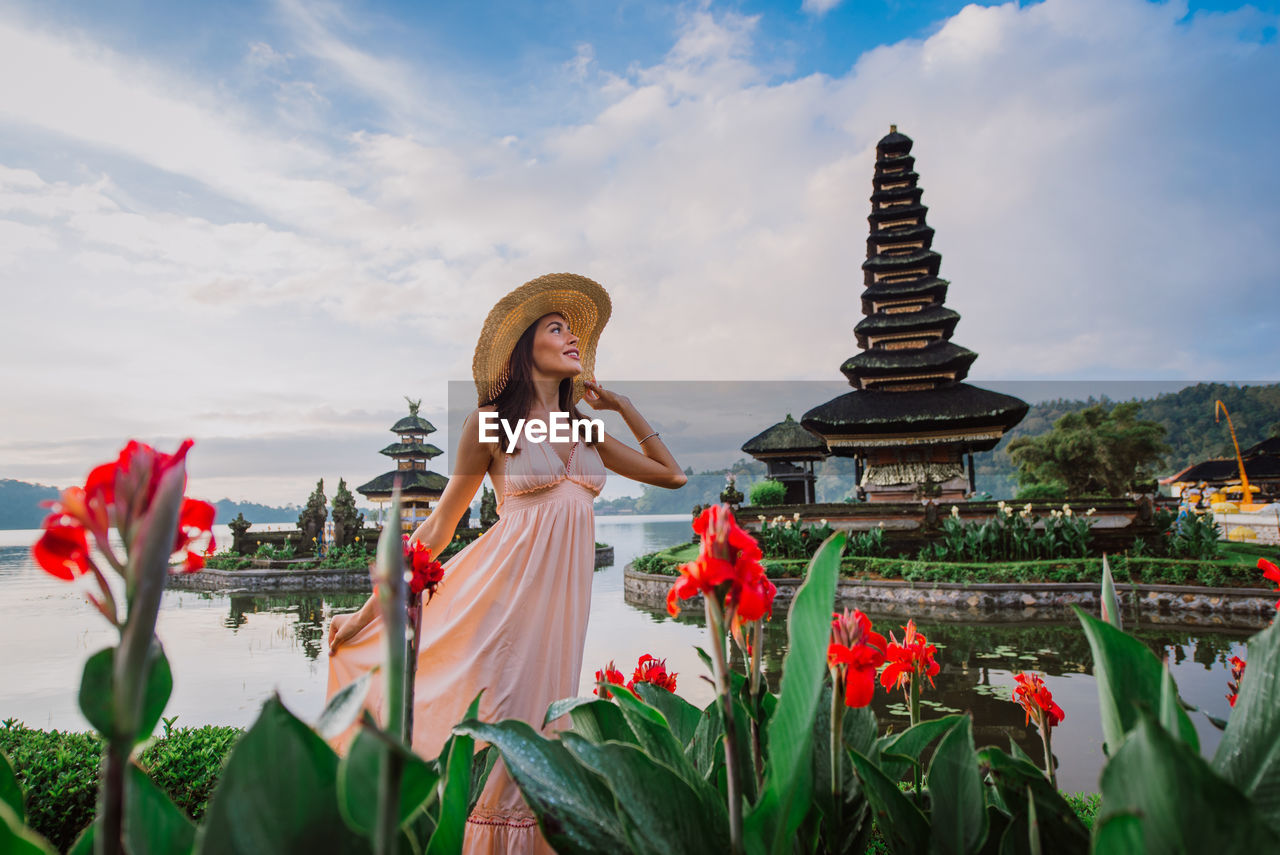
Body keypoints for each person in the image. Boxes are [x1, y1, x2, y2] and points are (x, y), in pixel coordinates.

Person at [325, 272, 687, 853]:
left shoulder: (588, 426)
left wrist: (623, 406)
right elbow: (439, 527)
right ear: (526, 349)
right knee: (518, 742)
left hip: (561, 609)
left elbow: (672, 475)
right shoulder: (492, 422)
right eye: (557, 328)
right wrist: (365, 614)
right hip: (503, 599)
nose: (572, 339)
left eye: (574, 331)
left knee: (547, 732)